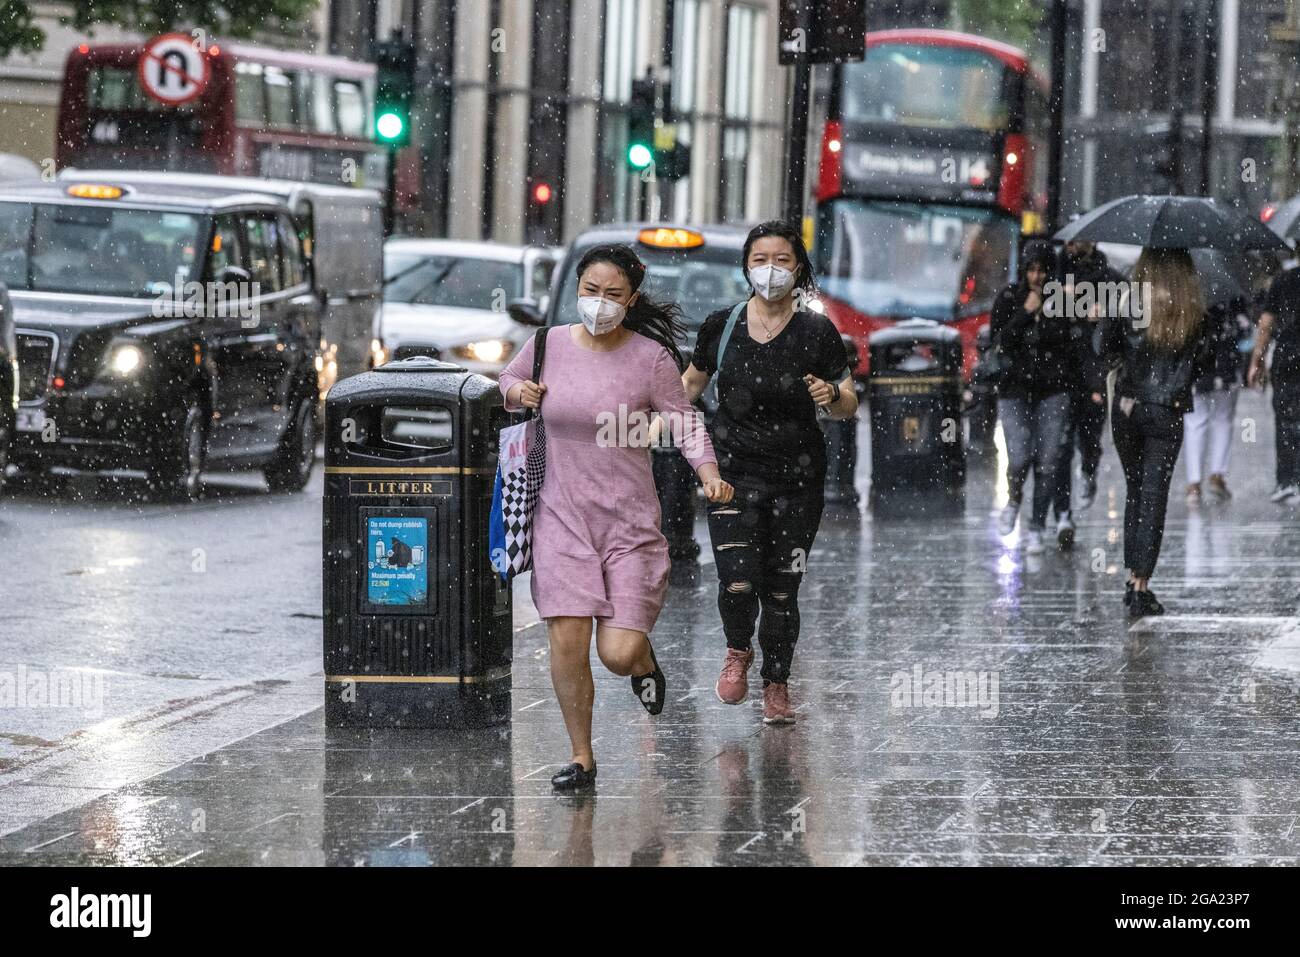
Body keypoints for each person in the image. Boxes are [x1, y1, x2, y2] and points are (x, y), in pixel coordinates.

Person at [499, 244, 733, 790]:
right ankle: (582, 756)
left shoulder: (650, 359)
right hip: (559, 519)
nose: (599, 304)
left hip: (629, 527)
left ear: (630, 300)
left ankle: (644, 662)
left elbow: (685, 422)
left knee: (617, 652)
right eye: (590, 291)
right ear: (577, 289)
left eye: (612, 295)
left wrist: (708, 473)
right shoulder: (546, 344)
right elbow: (504, 385)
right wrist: (518, 390)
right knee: (567, 638)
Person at [679, 220, 856, 724]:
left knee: (782, 589)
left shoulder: (817, 331)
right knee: (737, 581)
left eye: (782, 260)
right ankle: (738, 649)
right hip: (732, 475)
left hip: (798, 483)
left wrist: (833, 395)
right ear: (746, 266)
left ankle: (776, 683)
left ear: (798, 267)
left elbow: (849, 403)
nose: (770, 270)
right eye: (760, 260)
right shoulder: (723, 324)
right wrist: (641, 418)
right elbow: (688, 385)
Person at [1098, 247, 1211, 619]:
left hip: (1128, 406)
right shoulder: (1192, 307)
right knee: (1153, 495)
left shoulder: (1129, 297)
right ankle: (1141, 583)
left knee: (1135, 491)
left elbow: (1104, 346)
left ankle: (1133, 580)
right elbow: (1204, 360)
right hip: (1166, 410)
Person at [991, 240, 1075, 554]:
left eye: (1042, 270)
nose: (1037, 277)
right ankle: (1014, 500)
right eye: (1031, 270)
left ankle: (1038, 526)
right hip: (1015, 391)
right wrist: (1025, 314)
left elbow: (1067, 345)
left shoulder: (1061, 303)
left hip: (1052, 391)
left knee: (1048, 462)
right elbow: (1002, 341)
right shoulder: (1009, 298)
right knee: (1019, 456)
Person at [1052, 240, 1120, 533]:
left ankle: (1089, 473)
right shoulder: (1055, 274)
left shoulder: (1109, 278)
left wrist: (1105, 314)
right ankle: (1063, 514)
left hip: (1094, 374)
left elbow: (1127, 314)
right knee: (1060, 447)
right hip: (1061, 373)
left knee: (1090, 439)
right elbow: (1047, 313)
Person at [1185, 296, 1250, 503]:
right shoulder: (1232, 294)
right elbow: (1245, 330)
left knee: (1195, 422)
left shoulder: (1190, 293)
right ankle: (1217, 476)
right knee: (1223, 420)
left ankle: (1194, 484)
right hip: (1226, 365)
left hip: (1196, 366)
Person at [1250, 259, 1300, 507]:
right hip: (1289, 358)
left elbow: (1266, 324)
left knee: (1286, 419)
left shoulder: (1283, 280)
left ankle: (1289, 480)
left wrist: (1256, 360)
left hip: (1289, 357)